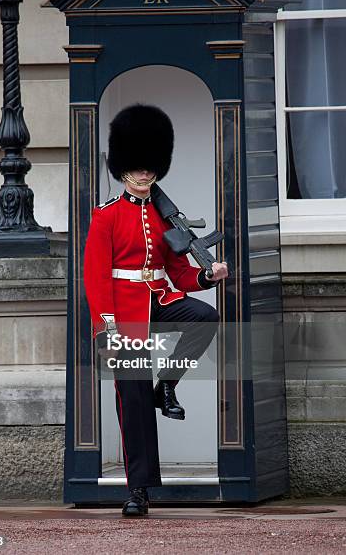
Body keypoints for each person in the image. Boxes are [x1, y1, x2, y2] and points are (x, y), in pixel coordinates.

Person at [83, 103, 228, 516]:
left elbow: (179, 272)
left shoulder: (165, 216)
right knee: (132, 403)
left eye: (150, 166)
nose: (145, 174)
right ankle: (138, 491)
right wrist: (106, 328)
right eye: (137, 167)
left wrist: (207, 277)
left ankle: (166, 384)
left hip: (160, 300)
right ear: (123, 168)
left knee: (203, 317)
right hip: (124, 315)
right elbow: (95, 277)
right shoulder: (106, 216)